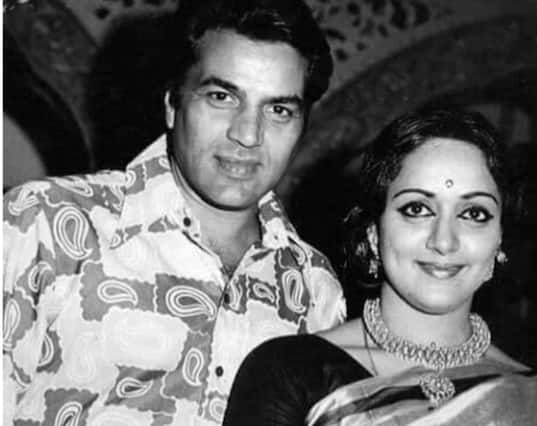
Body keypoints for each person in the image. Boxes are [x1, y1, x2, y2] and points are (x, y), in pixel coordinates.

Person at [3, 1, 346, 424]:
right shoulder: (44, 223)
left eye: (278, 110)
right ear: (172, 103)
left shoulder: (316, 288)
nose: (248, 134)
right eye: (221, 97)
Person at [222, 108, 537, 425]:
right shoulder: (293, 372)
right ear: (373, 232)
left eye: (473, 213)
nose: (444, 241)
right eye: (417, 209)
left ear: (499, 240)